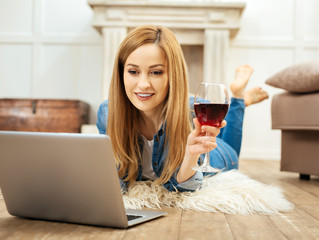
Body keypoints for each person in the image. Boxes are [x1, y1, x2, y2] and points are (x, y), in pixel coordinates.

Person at [96, 25, 268, 192]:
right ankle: (240, 100)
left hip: (218, 155)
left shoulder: (194, 111)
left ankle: (237, 97)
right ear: (121, 74)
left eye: (156, 72)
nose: (143, 84)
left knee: (229, 146)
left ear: (173, 75)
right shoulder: (108, 113)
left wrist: (191, 155)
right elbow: (116, 180)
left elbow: (186, 187)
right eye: (133, 72)